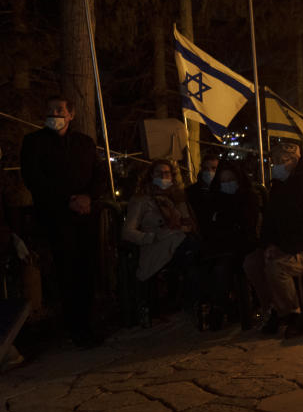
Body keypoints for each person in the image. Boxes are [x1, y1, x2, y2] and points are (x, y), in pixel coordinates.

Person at [20, 95, 106, 347]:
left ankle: (89, 321)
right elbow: (34, 179)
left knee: (87, 270)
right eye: (50, 109)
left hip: (86, 217)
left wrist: (89, 197)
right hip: (56, 218)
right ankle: (73, 327)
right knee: (65, 271)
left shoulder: (84, 143)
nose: (54, 114)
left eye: (59, 110)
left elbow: (98, 172)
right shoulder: (34, 143)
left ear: (71, 115)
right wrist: (68, 199)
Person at [243, 142, 303, 338]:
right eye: (273, 162)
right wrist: (269, 245)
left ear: (294, 161)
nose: (275, 166)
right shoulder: (280, 185)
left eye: (280, 161)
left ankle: (294, 315)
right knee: (253, 263)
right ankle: (275, 307)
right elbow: (270, 222)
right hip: (286, 245)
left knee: (278, 268)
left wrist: (286, 248)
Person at [192, 160, 259, 329]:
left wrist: (223, 220)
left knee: (223, 267)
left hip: (242, 245)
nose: (228, 184)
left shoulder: (248, 197)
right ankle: (218, 305)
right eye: (224, 181)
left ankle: (220, 307)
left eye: (231, 180)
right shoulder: (214, 199)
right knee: (208, 267)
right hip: (218, 247)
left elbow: (246, 224)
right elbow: (210, 226)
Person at [122, 159, 197, 283]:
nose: (163, 176)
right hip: (157, 247)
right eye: (159, 173)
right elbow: (127, 231)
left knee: (194, 257)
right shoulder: (141, 200)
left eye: (167, 173)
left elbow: (187, 223)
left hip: (178, 242)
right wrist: (152, 237)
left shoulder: (177, 198)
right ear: (151, 175)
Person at [186, 152, 219, 220]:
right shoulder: (191, 191)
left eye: (214, 168)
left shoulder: (224, 190)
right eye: (206, 169)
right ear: (202, 169)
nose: (209, 172)